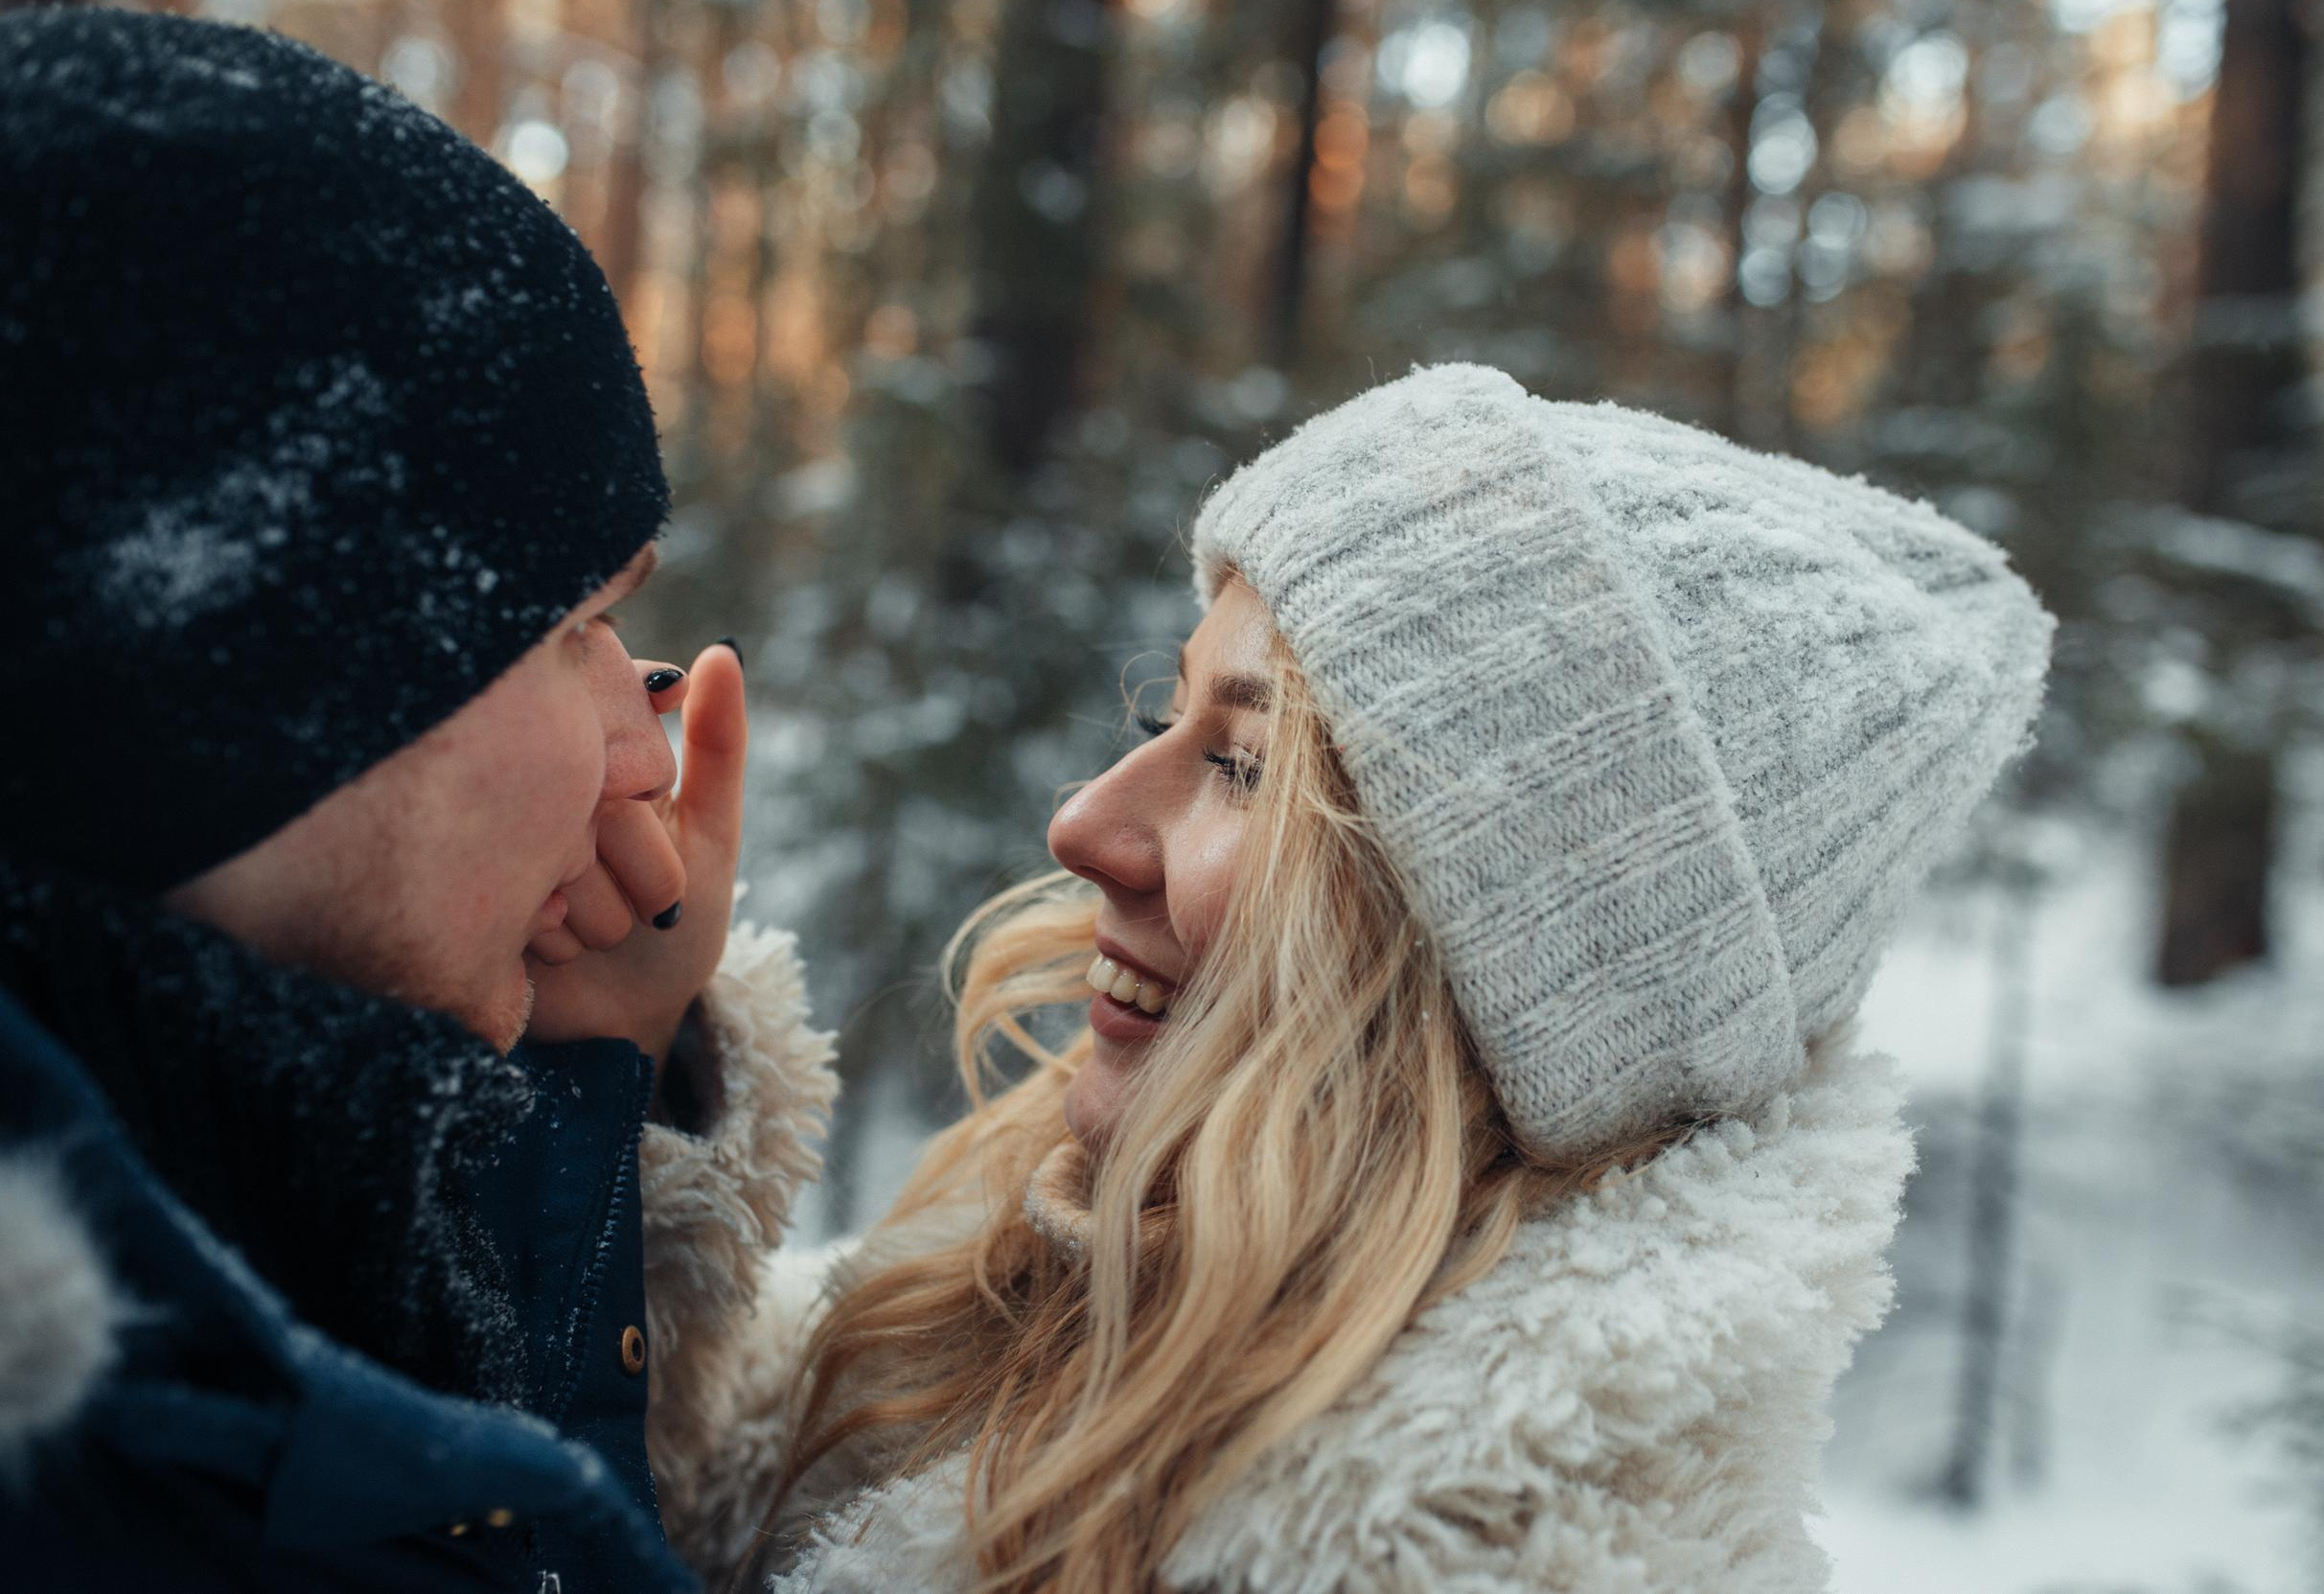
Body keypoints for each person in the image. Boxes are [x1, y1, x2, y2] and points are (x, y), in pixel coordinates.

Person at [643, 363, 2057, 1593]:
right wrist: (621, 1064)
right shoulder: (1037, 1282)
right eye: (1165, 714)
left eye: (1244, 764)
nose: (1083, 823)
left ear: (1495, 979)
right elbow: (683, 1486)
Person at [0, 7, 835, 1591]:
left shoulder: (209, 1293)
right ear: (251, 675)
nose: (643, 755)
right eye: (577, 626)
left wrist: (578, 1073)